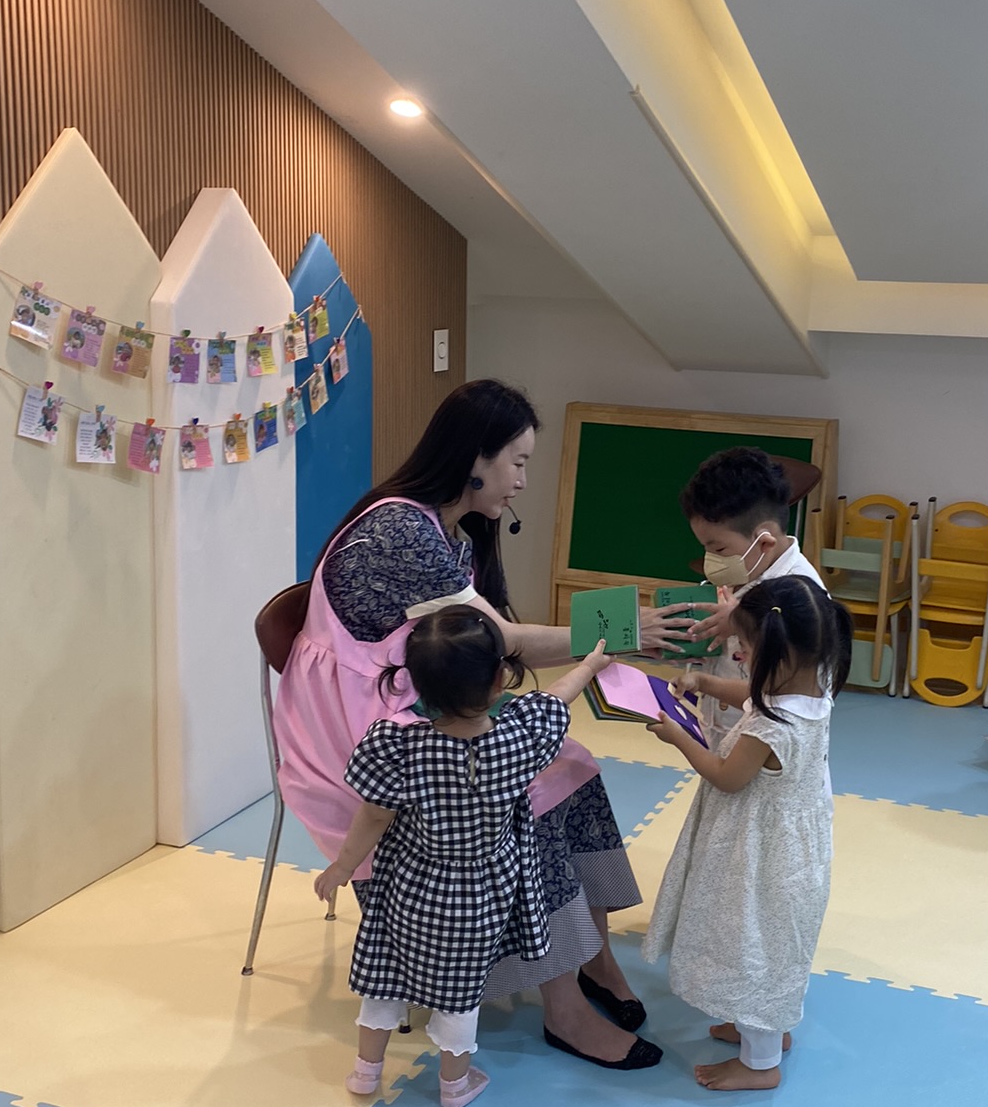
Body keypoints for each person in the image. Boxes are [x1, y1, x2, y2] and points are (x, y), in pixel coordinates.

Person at [273, 378, 696, 1070]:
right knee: (531, 792)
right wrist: (624, 630)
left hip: (404, 702)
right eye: (517, 461)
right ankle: (563, 1007)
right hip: (356, 731)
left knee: (573, 765)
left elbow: (495, 643)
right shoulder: (401, 532)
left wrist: (616, 638)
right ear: (475, 457)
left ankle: (593, 957)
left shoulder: (445, 530)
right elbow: (505, 641)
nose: (522, 481)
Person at [315, 610, 609, 1107]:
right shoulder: (521, 738)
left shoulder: (399, 749)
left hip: (410, 884)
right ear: (499, 679)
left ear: (413, 682)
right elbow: (556, 698)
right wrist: (591, 664)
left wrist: (343, 867)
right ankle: (454, 1085)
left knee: (385, 972)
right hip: (483, 893)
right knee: (460, 990)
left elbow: (373, 816)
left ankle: (365, 1072)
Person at [643, 574, 848, 1091]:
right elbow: (755, 697)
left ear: (779, 655)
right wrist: (708, 684)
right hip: (790, 848)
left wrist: (679, 738)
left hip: (759, 855)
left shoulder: (771, 726)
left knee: (751, 945)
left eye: (746, 651)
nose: (739, 659)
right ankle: (760, 1026)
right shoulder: (812, 690)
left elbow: (726, 776)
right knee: (765, 943)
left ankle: (761, 1064)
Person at [678, 447, 828, 749]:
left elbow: (791, 696)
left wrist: (740, 621)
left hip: (763, 747)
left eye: (719, 549)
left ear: (764, 541)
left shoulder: (803, 596)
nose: (711, 560)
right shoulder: (747, 568)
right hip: (722, 727)